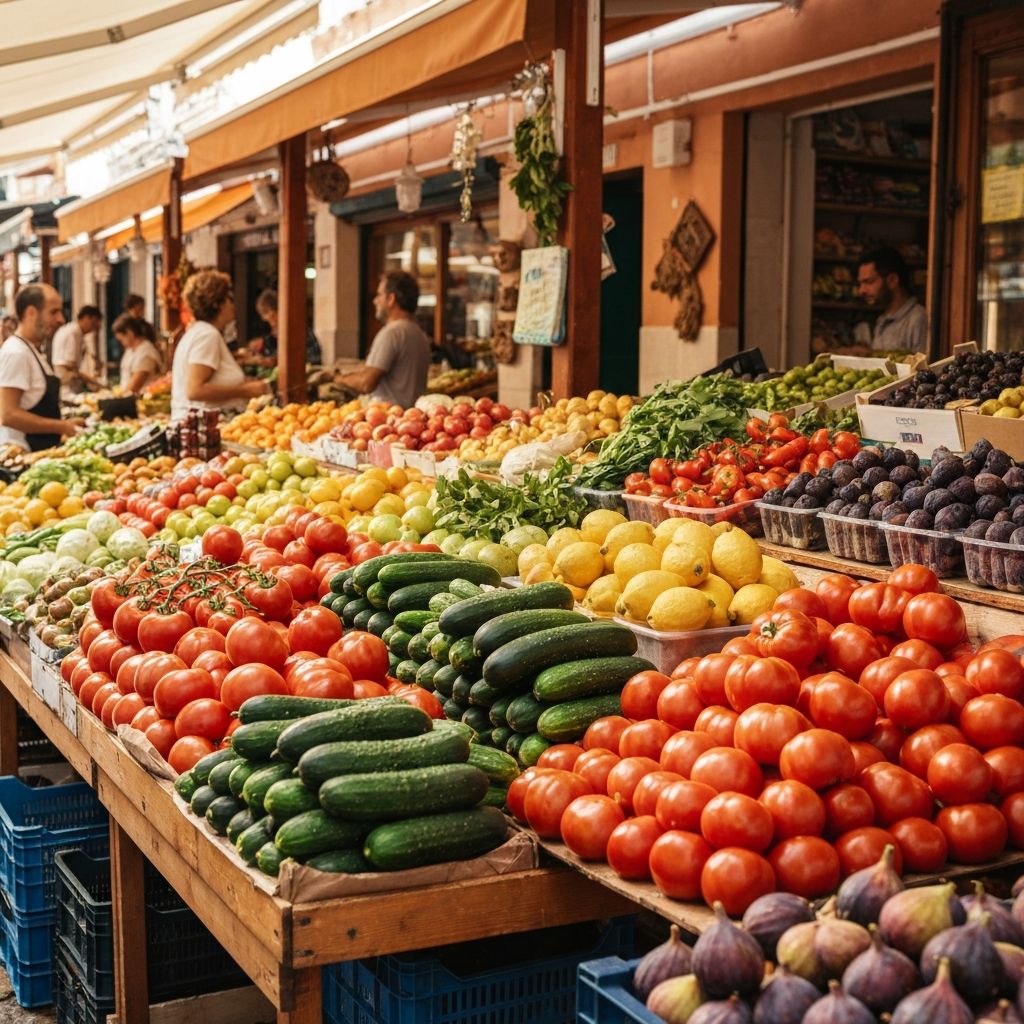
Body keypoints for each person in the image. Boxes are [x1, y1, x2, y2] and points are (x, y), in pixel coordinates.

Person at [170, 269, 270, 421]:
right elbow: (195, 390)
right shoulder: (207, 335)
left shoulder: (198, 332)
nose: (233, 305)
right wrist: (244, 390)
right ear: (217, 304)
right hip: (203, 426)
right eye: (229, 299)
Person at [0, 284, 84, 451]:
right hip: (23, 452)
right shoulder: (17, 353)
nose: (61, 319)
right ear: (31, 312)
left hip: (40, 451)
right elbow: (8, 414)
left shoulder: (31, 349)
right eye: (54, 312)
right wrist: (61, 426)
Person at [335, 271, 431, 409]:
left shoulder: (392, 333)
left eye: (379, 295)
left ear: (391, 299)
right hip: (411, 415)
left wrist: (338, 378)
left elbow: (366, 383)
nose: (375, 301)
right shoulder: (419, 333)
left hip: (388, 416)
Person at [856, 246, 928, 353]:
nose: (861, 291)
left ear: (892, 280)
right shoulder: (882, 320)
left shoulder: (917, 318)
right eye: (860, 283)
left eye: (869, 282)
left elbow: (921, 362)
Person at [248, 289, 322, 367]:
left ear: (276, 312)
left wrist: (277, 361)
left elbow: (314, 358)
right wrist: (263, 347)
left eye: (271, 317)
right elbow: (273, 354)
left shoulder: (299, 330)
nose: (272, 324)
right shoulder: (274, 336)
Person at [51, 304, 103, 391]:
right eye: (94, 323)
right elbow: (69, 365)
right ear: (86, 318)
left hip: (70, 383)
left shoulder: (76, 332)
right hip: (66, 385)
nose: (94, 328)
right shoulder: (73, 333)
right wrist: (90, 379)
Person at [113, 314, 163, 394]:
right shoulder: (130, 350)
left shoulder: (147, 353)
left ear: (130, 333)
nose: (122, 344)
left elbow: (134, 387)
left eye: (121, 340)